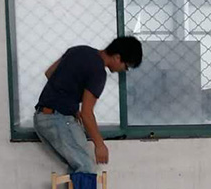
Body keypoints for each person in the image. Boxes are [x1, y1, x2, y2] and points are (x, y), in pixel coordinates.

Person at [34, 37, 143, 176]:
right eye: (126, 66)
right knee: (86, 167)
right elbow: (86, 113)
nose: (124, 70)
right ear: (117, 57)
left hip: (41, 117)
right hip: (57, 119)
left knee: (77, 166)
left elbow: (50, 73)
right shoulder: (98, 72)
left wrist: (70, 105)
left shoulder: (78, 50)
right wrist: (99, 144)